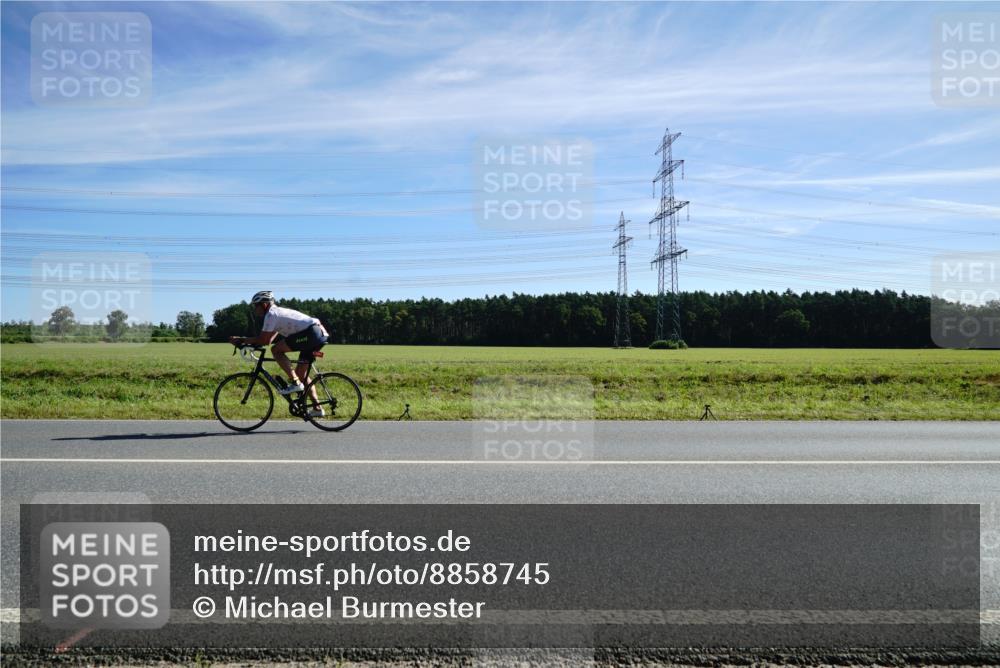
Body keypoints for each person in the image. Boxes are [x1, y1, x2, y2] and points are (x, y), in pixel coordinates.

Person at [229, 291, 329, 416]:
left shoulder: (271, 314)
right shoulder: (276, 314)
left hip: (311, 334)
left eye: (256, 305)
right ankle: (317, 408)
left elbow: (264, 340)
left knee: (276, 350)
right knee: (301, 374)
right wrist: (248, 343)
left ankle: (295, 383)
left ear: (264, 304)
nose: (255, 309)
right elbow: (268, 340)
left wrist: (241, 339)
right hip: (317, 334)